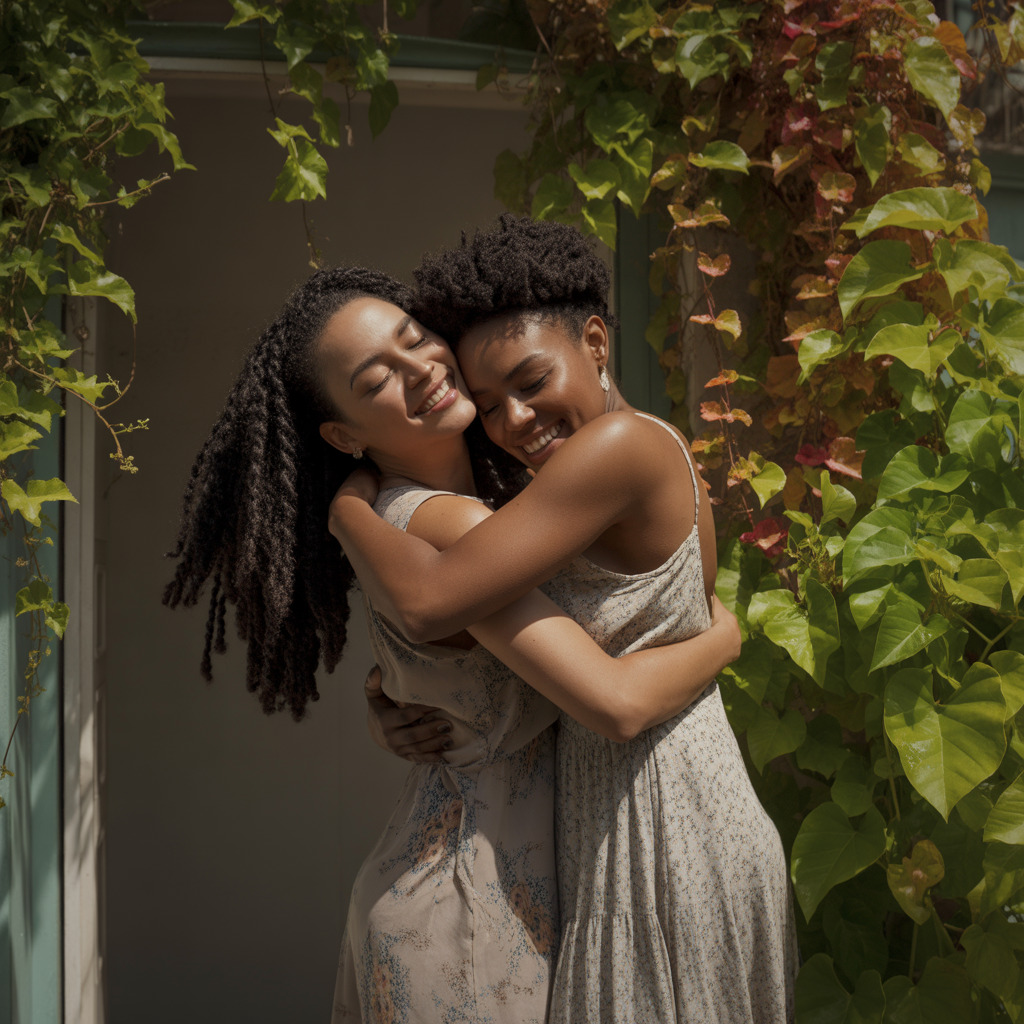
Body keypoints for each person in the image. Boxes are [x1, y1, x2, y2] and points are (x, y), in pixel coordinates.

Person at [164, 266, 742, 1024]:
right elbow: (609, 698)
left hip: (456, 878)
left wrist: (384, 698)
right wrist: (727, 635)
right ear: (344, 436)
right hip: (472, 909)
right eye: (378, 378)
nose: (422, 369)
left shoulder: (462, 515)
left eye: (415, 340)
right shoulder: (458, 530)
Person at [329, 216, 799, 1024]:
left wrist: (343, 507)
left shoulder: (617, 446)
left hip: (669, 823)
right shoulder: (559, 484)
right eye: (489, 403)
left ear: (596, 340)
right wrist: (389, 696)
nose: (513, 419)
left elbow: (429, 598)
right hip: (620, 817)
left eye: (531, 380)